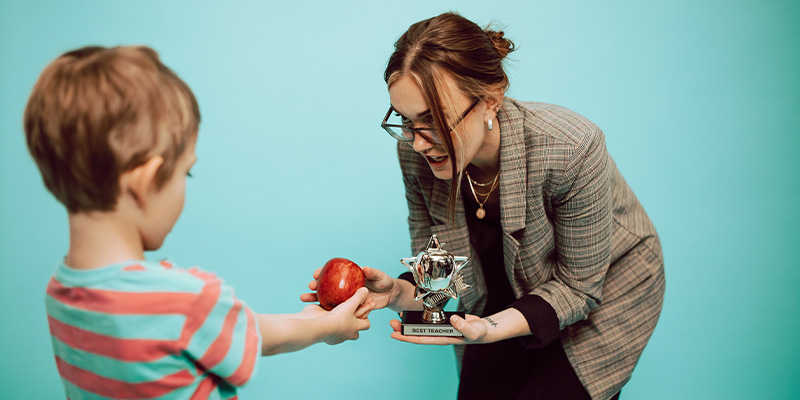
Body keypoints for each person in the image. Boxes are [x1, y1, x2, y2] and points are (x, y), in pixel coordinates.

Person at [306, 12, 665, 400]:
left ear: (490, 100)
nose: (418, 143)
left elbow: (578, 288)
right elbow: (438, 271)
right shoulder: (414, 154)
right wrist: (395, 293)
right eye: (406, 121)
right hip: (504, 286)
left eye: (433, 120)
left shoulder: (571, 148)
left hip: (604, 287)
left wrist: (489, 329)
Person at [24, 45, 374, 399]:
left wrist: (317, 321)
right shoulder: (184, 299)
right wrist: (327, 328)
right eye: (185, 173)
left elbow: (247, 330)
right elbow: (260, 337)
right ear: (146, 182)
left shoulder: (61, 292)